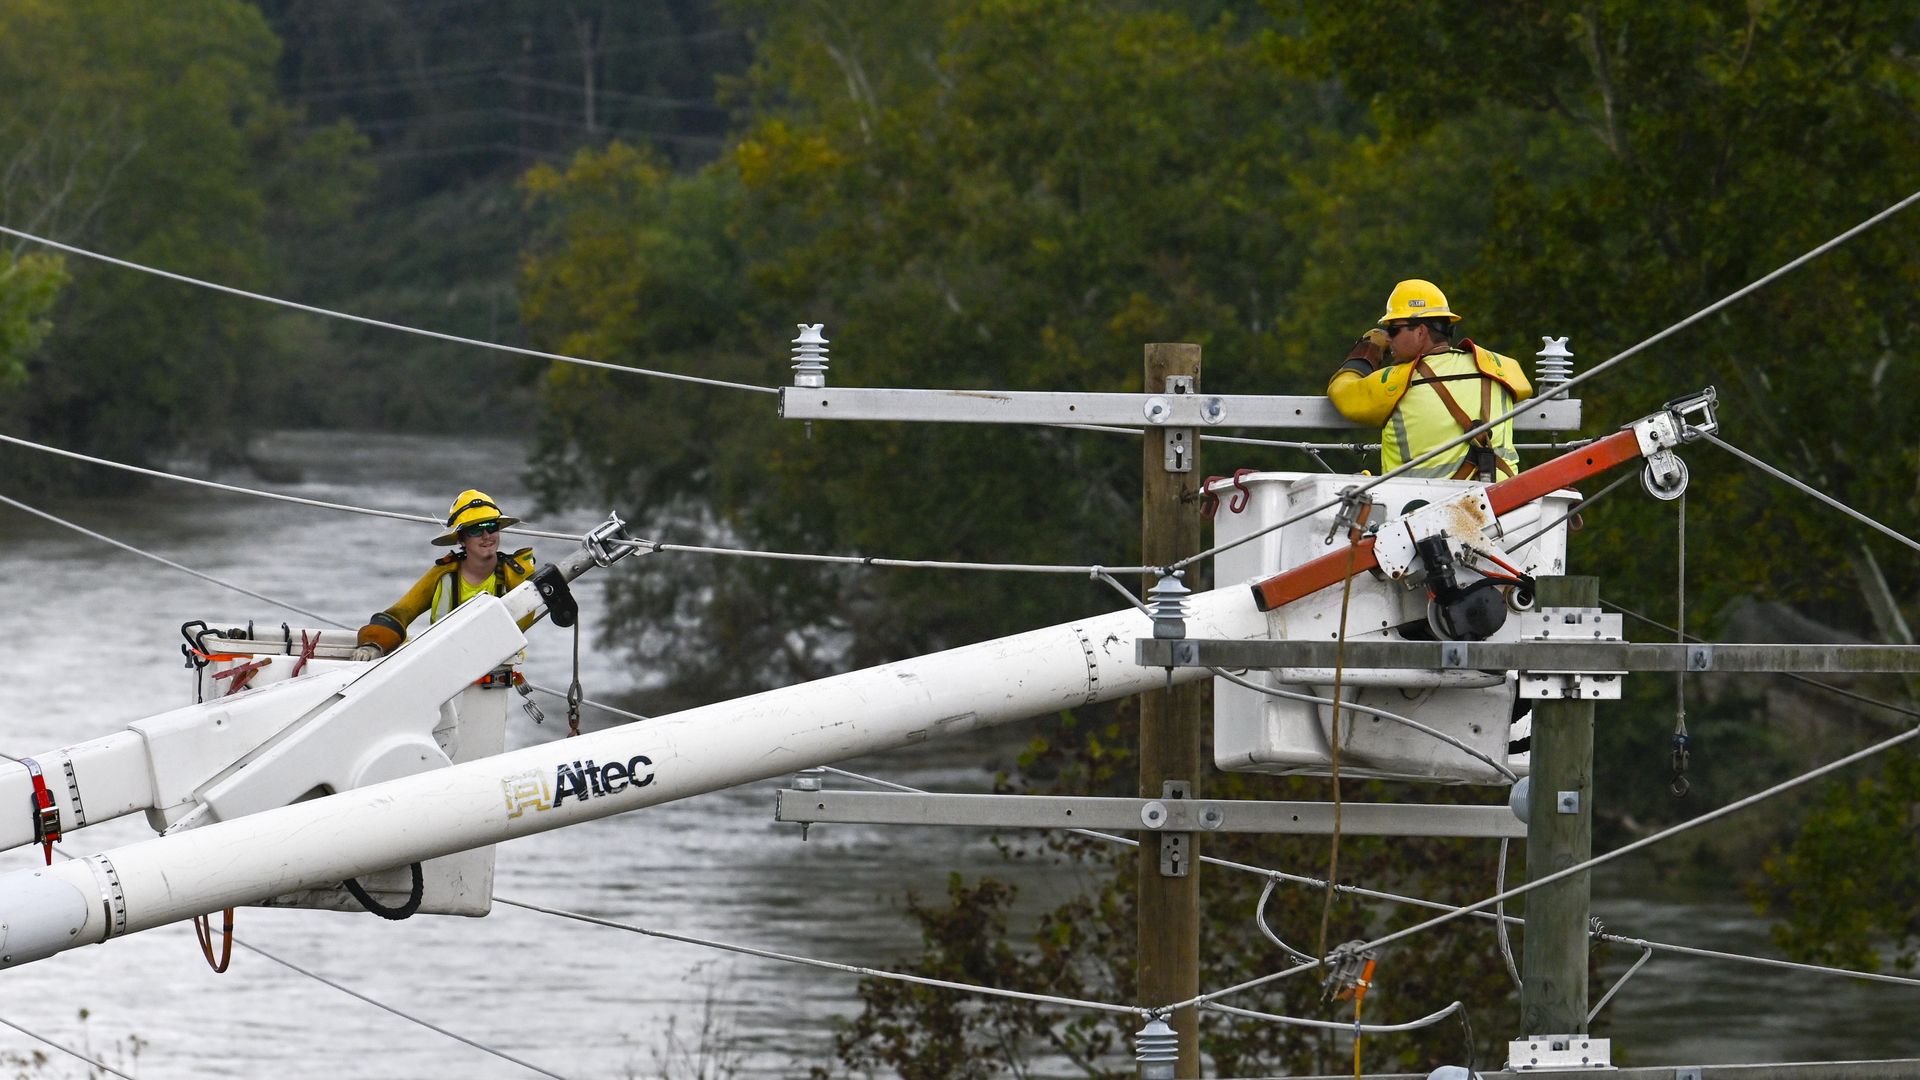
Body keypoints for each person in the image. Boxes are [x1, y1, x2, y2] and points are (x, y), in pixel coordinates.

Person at [1326, 279, 1533, 481]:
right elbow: (1524, 390)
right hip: (1506, 506)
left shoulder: (1398, 381)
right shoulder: (1499, 368)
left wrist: (1367, 352)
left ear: (1421, 331)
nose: (1388, 338)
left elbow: (1342, 392)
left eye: (1393, 329)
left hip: (1419, 509)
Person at [351, 489, 538, 660]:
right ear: (461, 539)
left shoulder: (517, 574)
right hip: (443, 661)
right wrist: (373, 645)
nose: (486, 535)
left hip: (496, 663)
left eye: (491, 526)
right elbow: (400, 613)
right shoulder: (443, 574)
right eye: (475, 529)